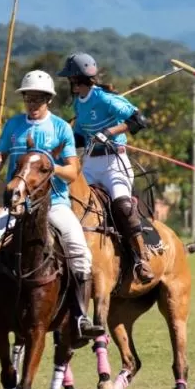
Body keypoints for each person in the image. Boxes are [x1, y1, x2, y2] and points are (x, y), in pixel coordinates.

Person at [0, 69, 105, 339]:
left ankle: (80, 318)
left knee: (81, 253)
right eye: (28, 98)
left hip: (55, 203)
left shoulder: (60, 128)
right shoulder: (13, 125)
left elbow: (72, 172)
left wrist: (49, 168)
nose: (32, 103)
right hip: (17, 204)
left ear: (48, 99)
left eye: (38, 98)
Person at [56, 52, 154, 283]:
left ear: (76, 79)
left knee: (121, 205)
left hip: (114, 163)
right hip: (90, 163)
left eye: (70, 79)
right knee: (73, 204)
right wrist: (64, 142)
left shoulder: (106, 99)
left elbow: (139, 120)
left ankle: (142, 257)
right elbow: (80, 136)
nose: (69, 83)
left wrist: (109, 132)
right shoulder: (79, 104)